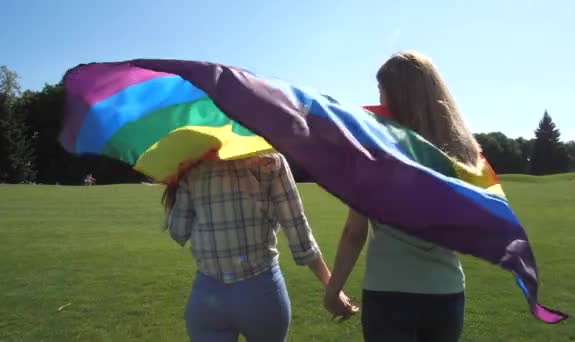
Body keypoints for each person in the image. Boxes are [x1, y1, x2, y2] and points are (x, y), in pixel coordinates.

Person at [324, 51, 481, 342]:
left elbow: (353, 232)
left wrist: (333, 290)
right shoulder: (464, 152)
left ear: (397, 96)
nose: (380, 100)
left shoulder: (373, 152)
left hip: (388, 294)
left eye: (382, 92)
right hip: (445, 293)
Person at [163, 153, 357, 342]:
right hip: (261, 291)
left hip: (208, 295)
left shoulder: (193, 165)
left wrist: (177, 181)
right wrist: (332, 286)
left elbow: (178, 232)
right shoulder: (271, 160)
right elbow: (299, 235)